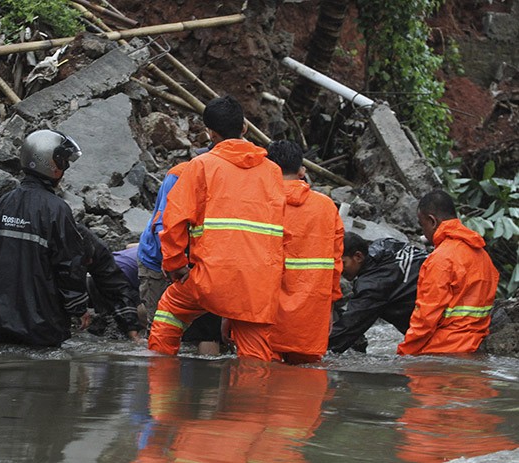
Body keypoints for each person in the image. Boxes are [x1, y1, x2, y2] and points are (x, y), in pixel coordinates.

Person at [148, 95, 285, 361]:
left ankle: (160, 374)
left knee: (170, 310)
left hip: (211, 277)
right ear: (244, 127)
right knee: (254, 356)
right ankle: (255, 384)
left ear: (210, 133)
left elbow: (173, 220)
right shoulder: (272, 171)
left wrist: (176, 264)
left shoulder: (201, 166)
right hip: (258, 284)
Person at [0, 129, 88, 347]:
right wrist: (78, 307)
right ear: (50, 163)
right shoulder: (57, 209)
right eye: (62, 162)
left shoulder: (4, 202)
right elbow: (70, 264)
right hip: (41, 327)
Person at [265, 140, 344, 364]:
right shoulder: (326, 207)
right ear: (301, 171)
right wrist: (330, 308)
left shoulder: (259, 203)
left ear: (269, 169)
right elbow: (335, 264)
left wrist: (231, 314)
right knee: (306, 381)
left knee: (259, 377)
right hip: (311, 314)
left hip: (264, 312)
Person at [397, 190, 499, 355]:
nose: (424, 233)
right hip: (475, 346)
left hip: (442, 349)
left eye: (422, 225)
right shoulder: (482, 255)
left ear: (432, 221)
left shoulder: (441, 259)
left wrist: (404, 354)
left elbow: (425, 318)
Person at [138, 158, 223, 356]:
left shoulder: (223, 178)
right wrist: (175, 265)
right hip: (158, 262)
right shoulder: (179, 175)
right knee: (161, 325)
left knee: (205, 330)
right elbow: (163, 225)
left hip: (198, 264)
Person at [328, 232, 427, 353]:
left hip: (431, 328)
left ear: (358, 256)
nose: (339, 270)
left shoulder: (372, 286)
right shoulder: (385, 244)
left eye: (343, 263)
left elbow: (348, 328)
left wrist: (314, 349)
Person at [77, 224, 143, 340]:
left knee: (103, 319)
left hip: (93, 276)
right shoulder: (162, 257)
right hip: (116, 278)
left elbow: (129, 245)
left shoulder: (145, 246)